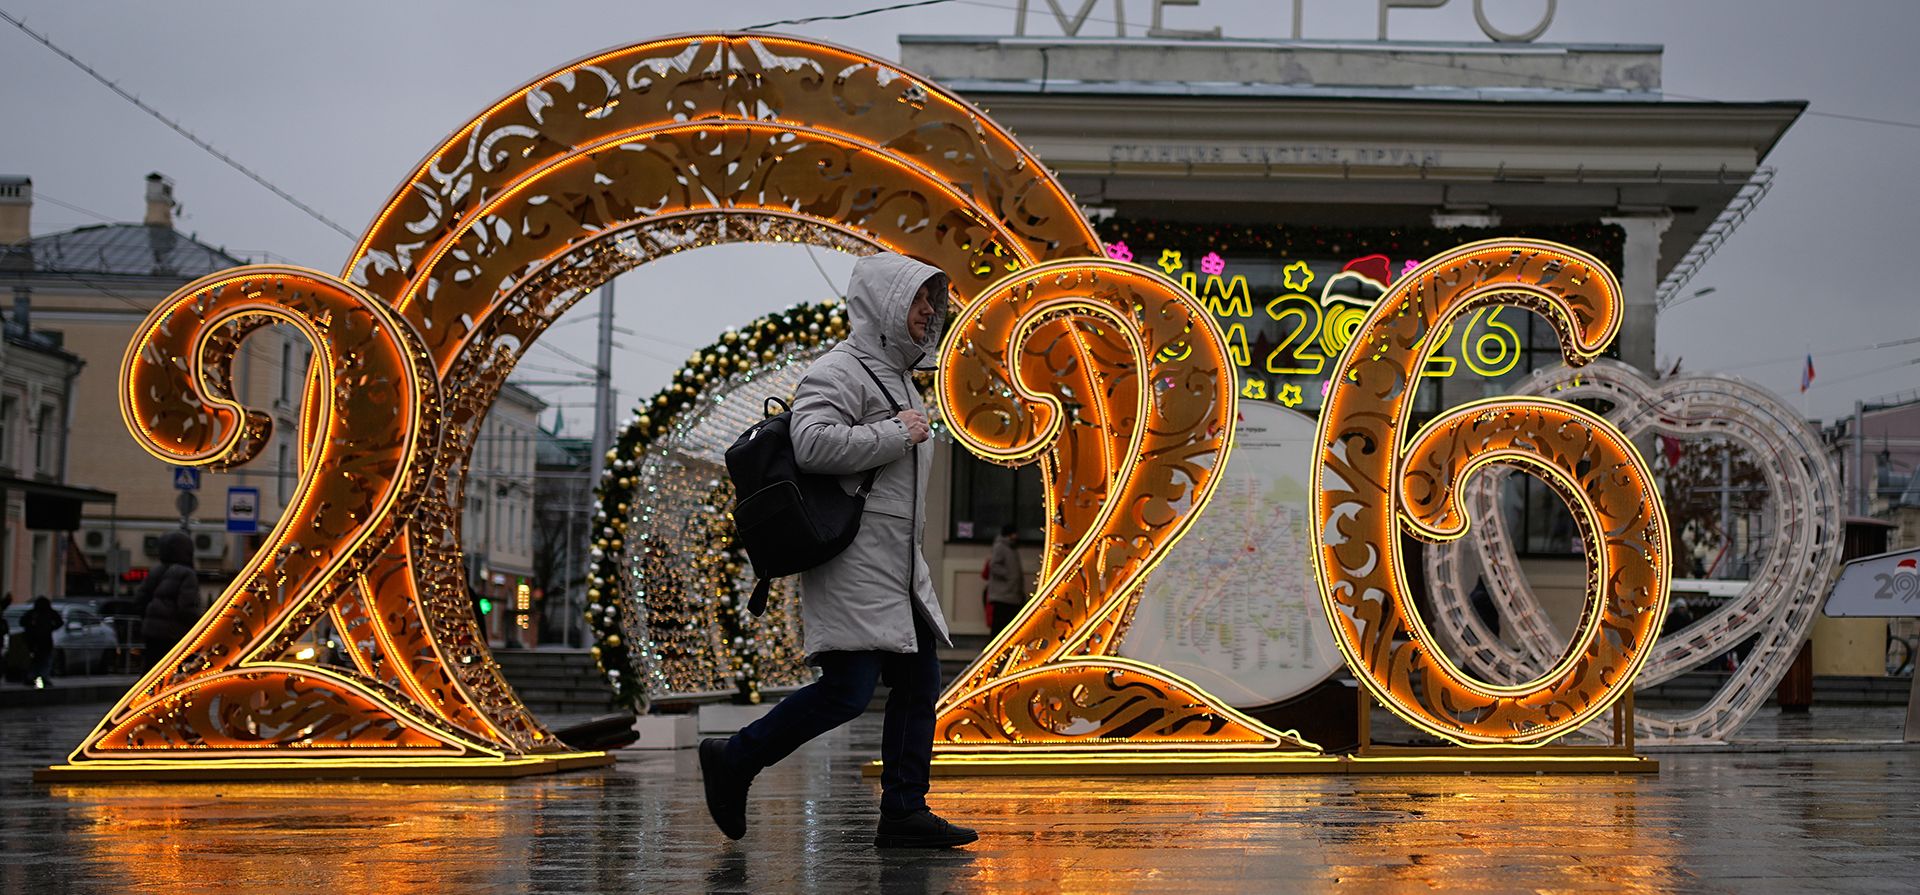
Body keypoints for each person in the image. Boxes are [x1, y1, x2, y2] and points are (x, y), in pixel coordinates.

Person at [699, 251, 976, 850]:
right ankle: (734, 758)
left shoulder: (899, 376)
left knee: (918, 683)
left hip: (896, 567)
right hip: (853, 563)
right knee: (848, 690)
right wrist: (897, 431)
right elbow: (813, 443)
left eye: (932, 302)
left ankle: (904, 809)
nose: (929, 312)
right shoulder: (840, 370)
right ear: (887, 304)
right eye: (919, 301)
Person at [137, 530, 201, 670]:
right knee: (177, 673)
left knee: (151, 671)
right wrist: (198, 626)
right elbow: (187, 607)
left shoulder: (155, 571)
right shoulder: (187, 574)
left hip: (151, 632)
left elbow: (140, 599)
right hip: (174, 634)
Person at [985, 524, 1028, 636]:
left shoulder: (1011, 548)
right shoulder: (1001, 547)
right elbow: (994, 566)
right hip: (1003, 595)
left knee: (1007, 625)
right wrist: (1009, 576)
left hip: (1011, 594)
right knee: (999, 625)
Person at [21, 596, 63, 688]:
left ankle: (33, 678)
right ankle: (42, 679)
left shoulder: (33, 614)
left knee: (36, 661)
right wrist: (51, 628)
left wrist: (30, 629)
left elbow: (22, 622)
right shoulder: (49, 613)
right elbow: (59, 622)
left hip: (34, 641)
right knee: (44, 660)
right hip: (45, 641)